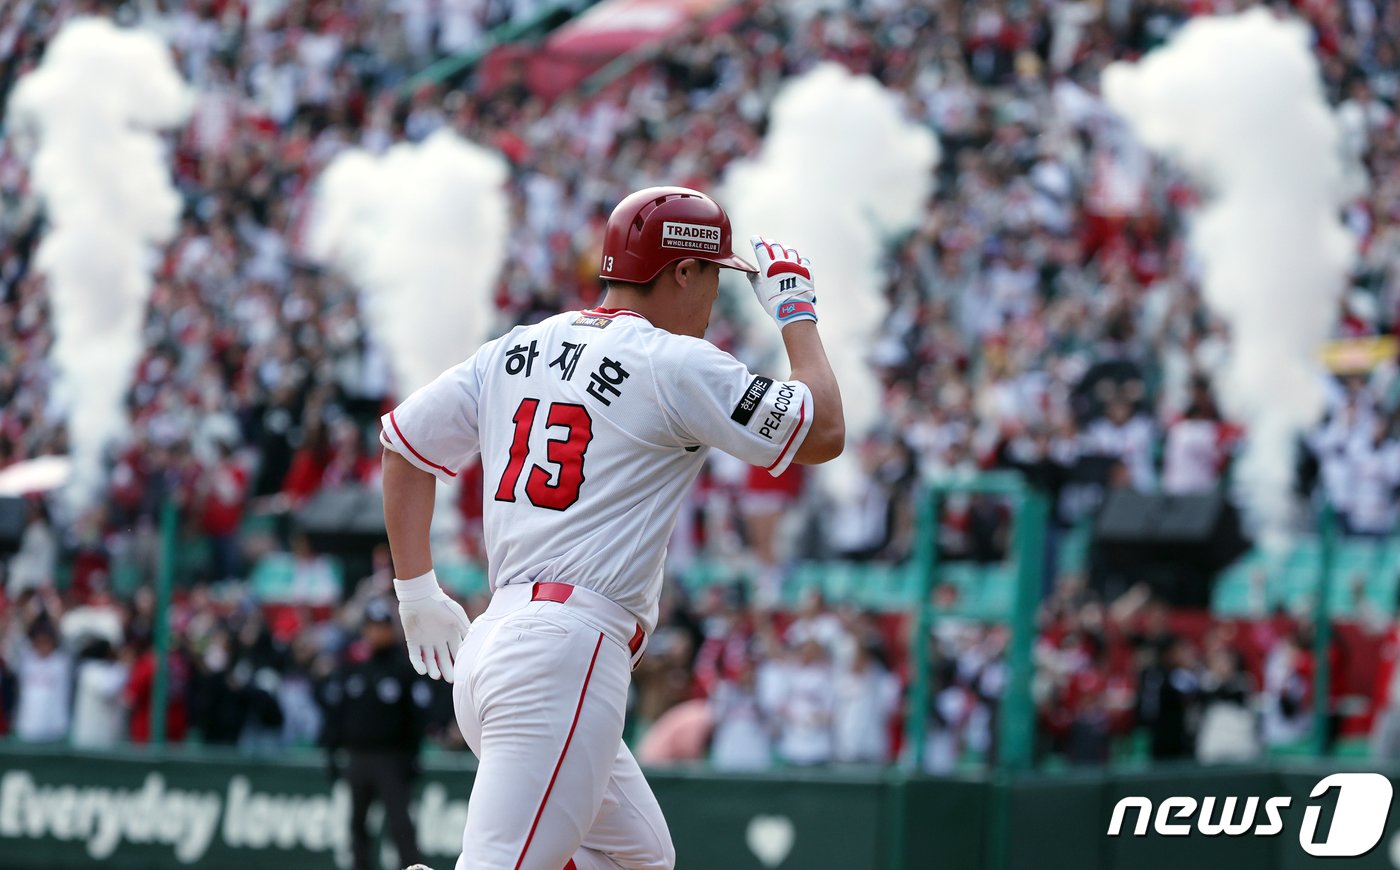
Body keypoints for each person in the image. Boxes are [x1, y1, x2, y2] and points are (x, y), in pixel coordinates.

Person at [380, 186, 843, 870]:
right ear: (683, 271)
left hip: (494, 646)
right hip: (562, 654)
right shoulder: (673, 361)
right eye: (714, 273)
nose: (717, 295)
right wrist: (797, 315)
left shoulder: (518, 346)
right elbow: (824, 429)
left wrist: (416, 590)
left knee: (637, 863)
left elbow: (403, 447)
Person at [321, 597, 432, 870]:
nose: (375, 632)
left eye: (381, 626)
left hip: (390, 758)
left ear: (390, 629)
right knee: (357, 824)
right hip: (357, 757)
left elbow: (416, 718)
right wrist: (331, 751)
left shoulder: (403, 669)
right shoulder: (353, 669)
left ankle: (411, 867)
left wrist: (412, 757)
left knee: (400, 824)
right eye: (371, 626)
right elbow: (338, 714)